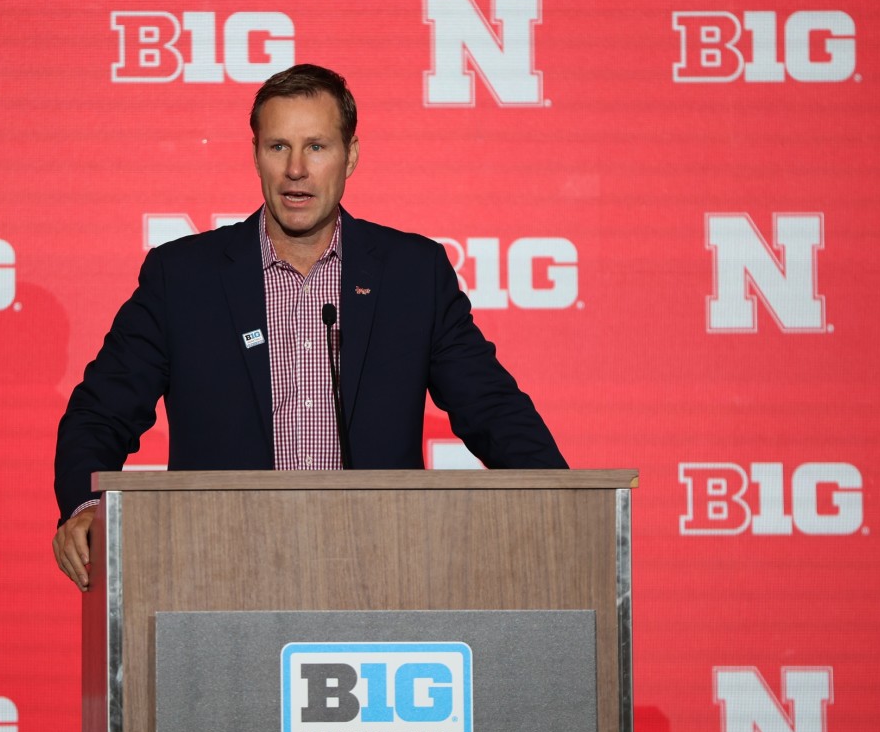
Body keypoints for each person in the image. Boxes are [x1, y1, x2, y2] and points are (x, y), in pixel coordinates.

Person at [53, 64, 566, 590]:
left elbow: (492, 409)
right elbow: (100, 412)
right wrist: (87, 505)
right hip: (221, 575)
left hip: (379, 574)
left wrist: (567, 507)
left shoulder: (412, 274)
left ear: (352, 157)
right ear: (256, 155)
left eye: (316, 147)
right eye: (278, 147)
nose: (296, 169)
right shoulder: (184, 277)